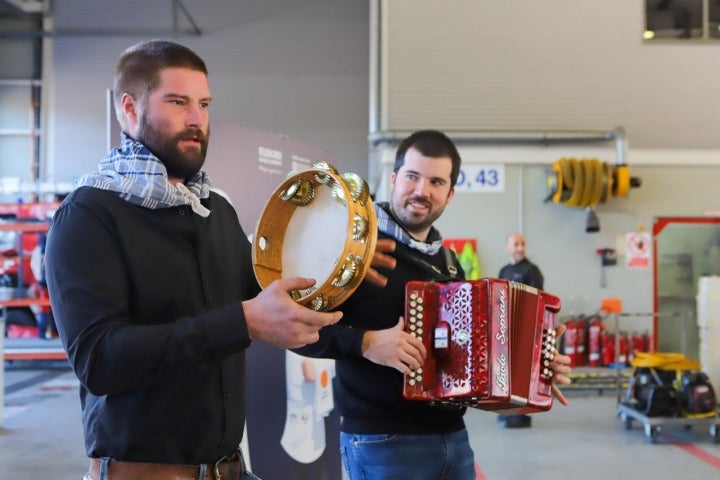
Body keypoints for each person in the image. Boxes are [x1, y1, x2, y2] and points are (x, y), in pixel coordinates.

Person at [43, 40, 390, 480]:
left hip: (228, 470)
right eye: (178, 102)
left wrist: (344, 274)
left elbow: (277, 311)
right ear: (129, 109)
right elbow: (99, 360)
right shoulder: (88, 215)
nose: (197, 119)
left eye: (204, 104)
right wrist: (241, 322)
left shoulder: (214, 210)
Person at [295, 130, 572, 480]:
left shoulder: (449, 264)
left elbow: (464, 361)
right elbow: (300, 331)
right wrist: (366, 343)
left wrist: (536, 370)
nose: (422, 191)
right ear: (394, 179)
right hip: (383, 440)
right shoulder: (351, 247)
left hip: (453, 438)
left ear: (450, 194)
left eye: (436, 182)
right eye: (412, 176)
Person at [496, 232, 545, 428]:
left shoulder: (532, 270)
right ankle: (509, 411)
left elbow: (539, 300)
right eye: (516, 244)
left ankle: (521, 416)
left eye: (523, 244)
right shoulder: (504, 270)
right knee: (507, 372)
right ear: (507, 247)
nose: (520, 248)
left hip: (525, 328)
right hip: (506, 329)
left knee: (522, 375)